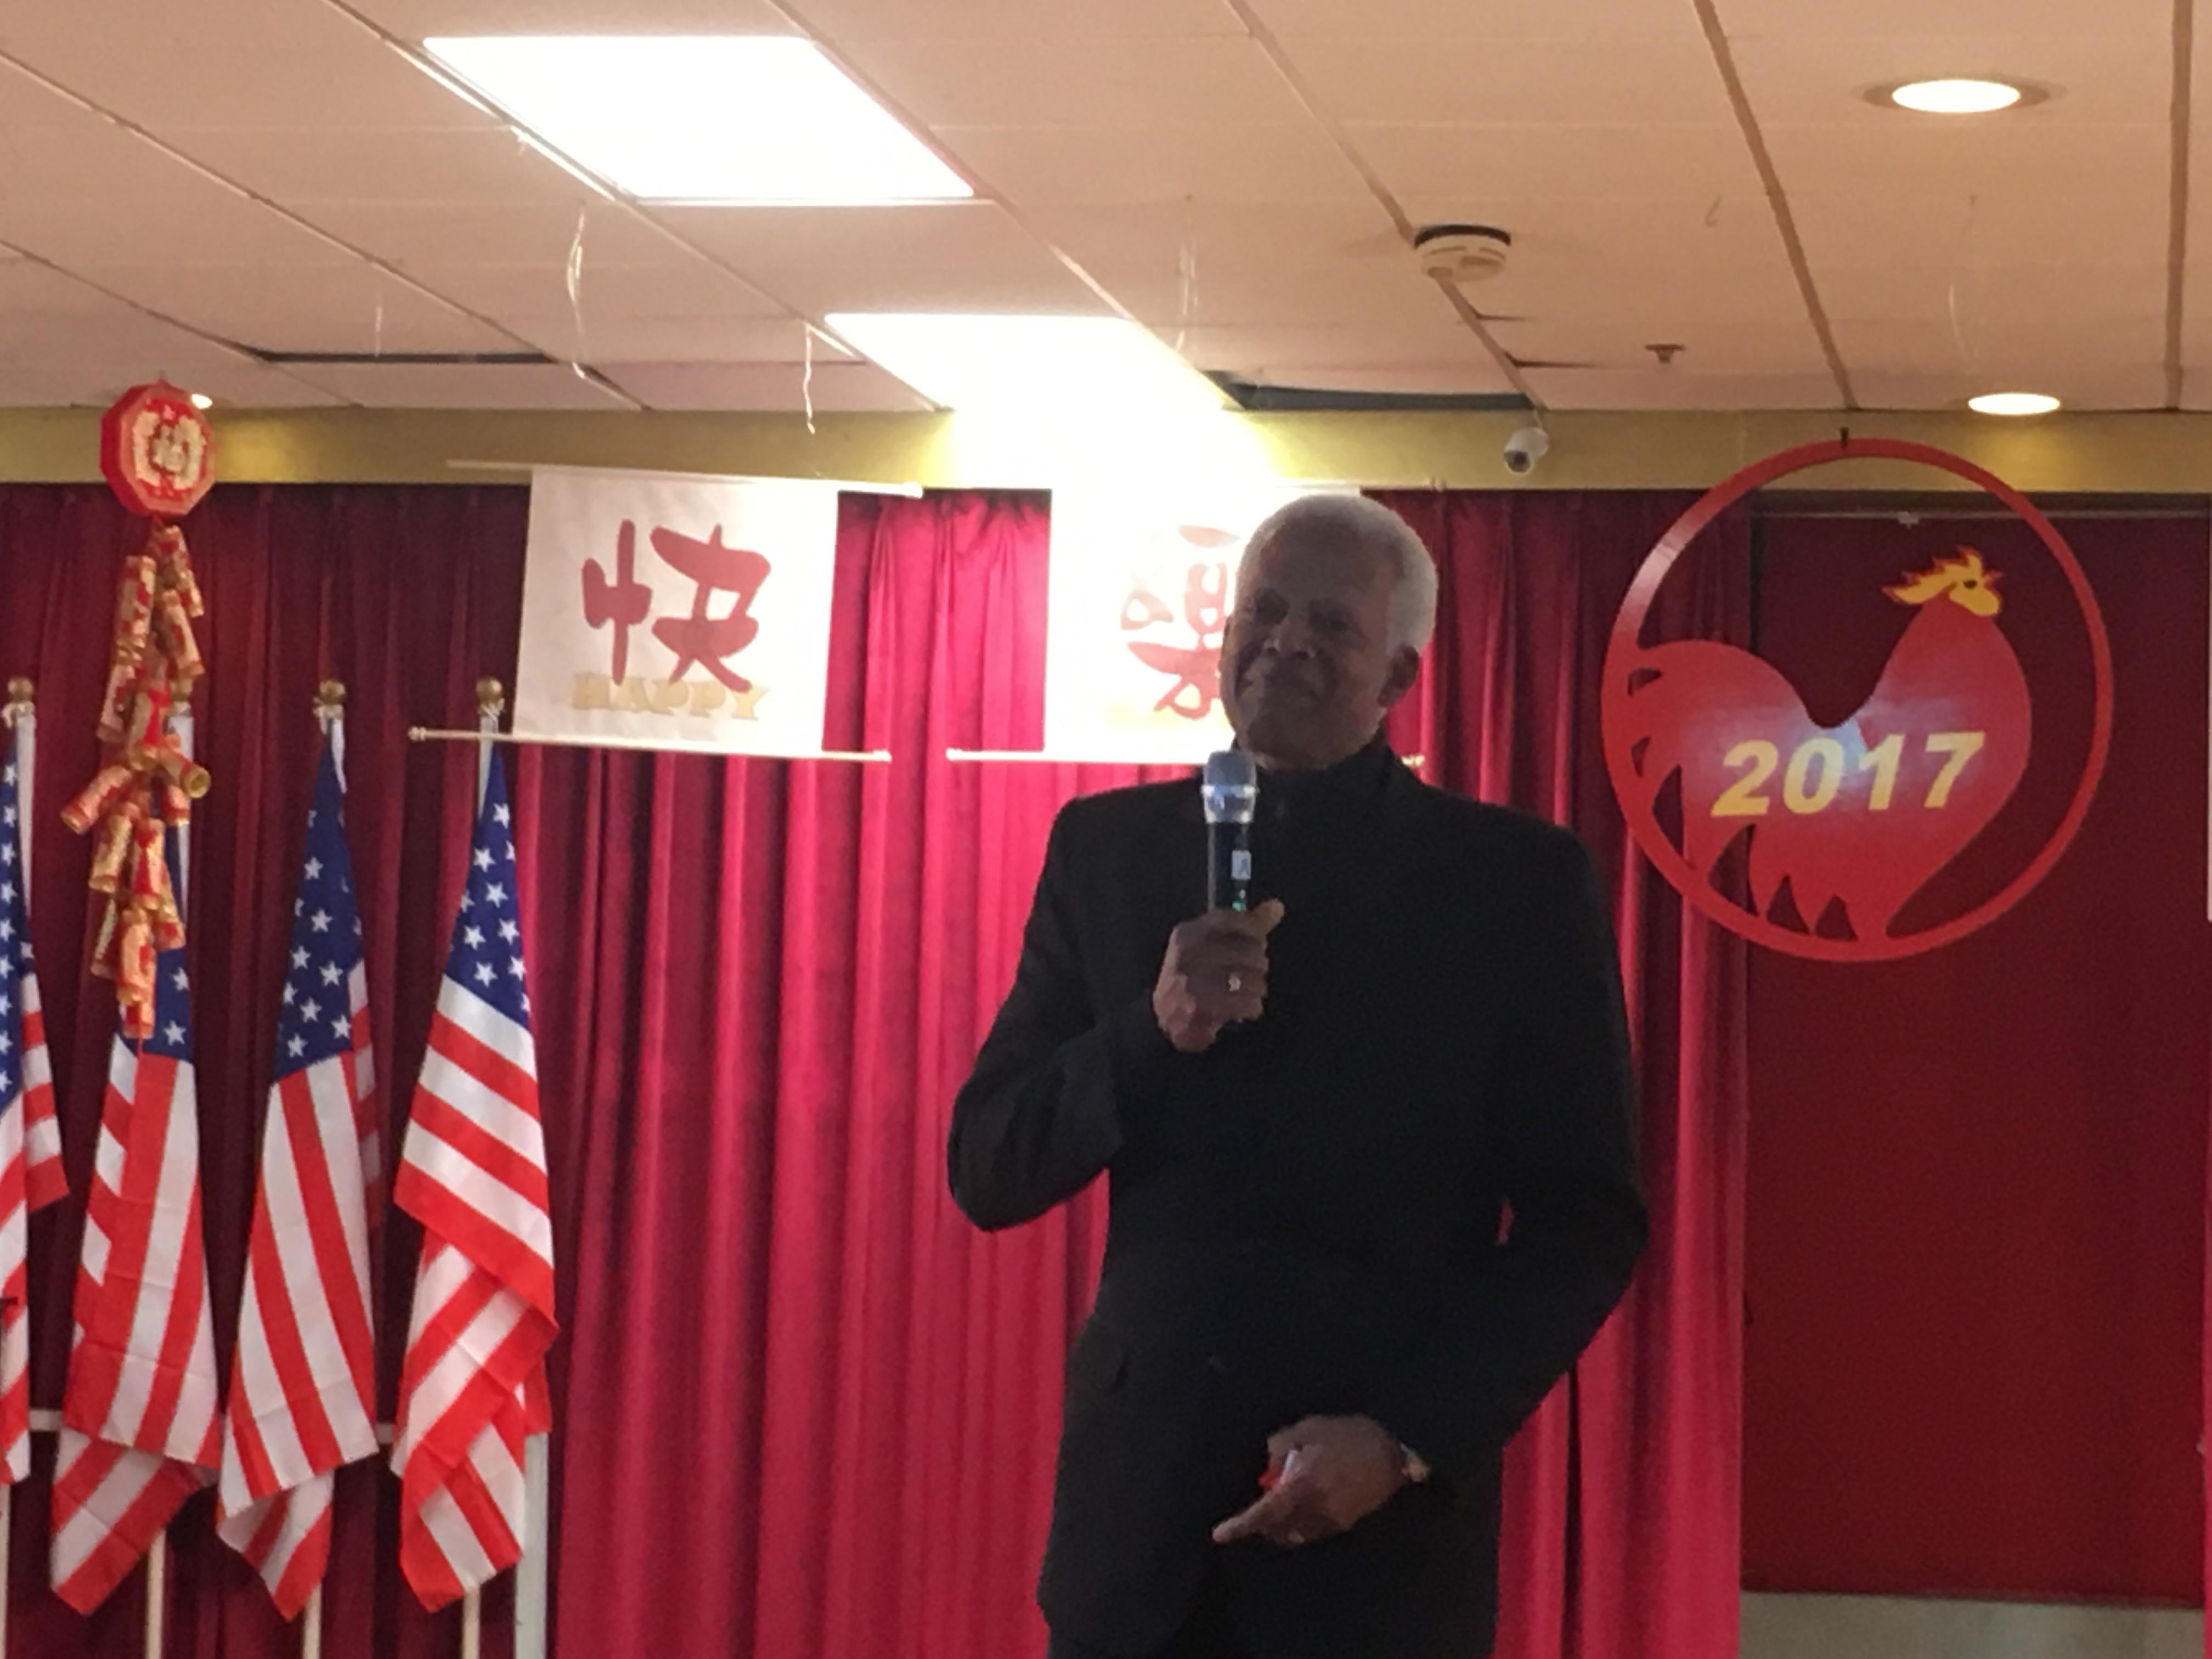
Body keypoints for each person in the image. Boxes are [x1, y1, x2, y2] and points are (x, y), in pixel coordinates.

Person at [949, 493, 1646, 1659]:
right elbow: (989, 1164)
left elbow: (1587, 1223)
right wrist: (1148, 1033)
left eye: (1330, 623)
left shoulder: (1513, 887)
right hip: (1138, 1540)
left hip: (1375, 1545)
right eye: (1264, 611)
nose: (1285, 643)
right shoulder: (1109, 852)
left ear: (1399, 675)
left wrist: (1405, 1438)